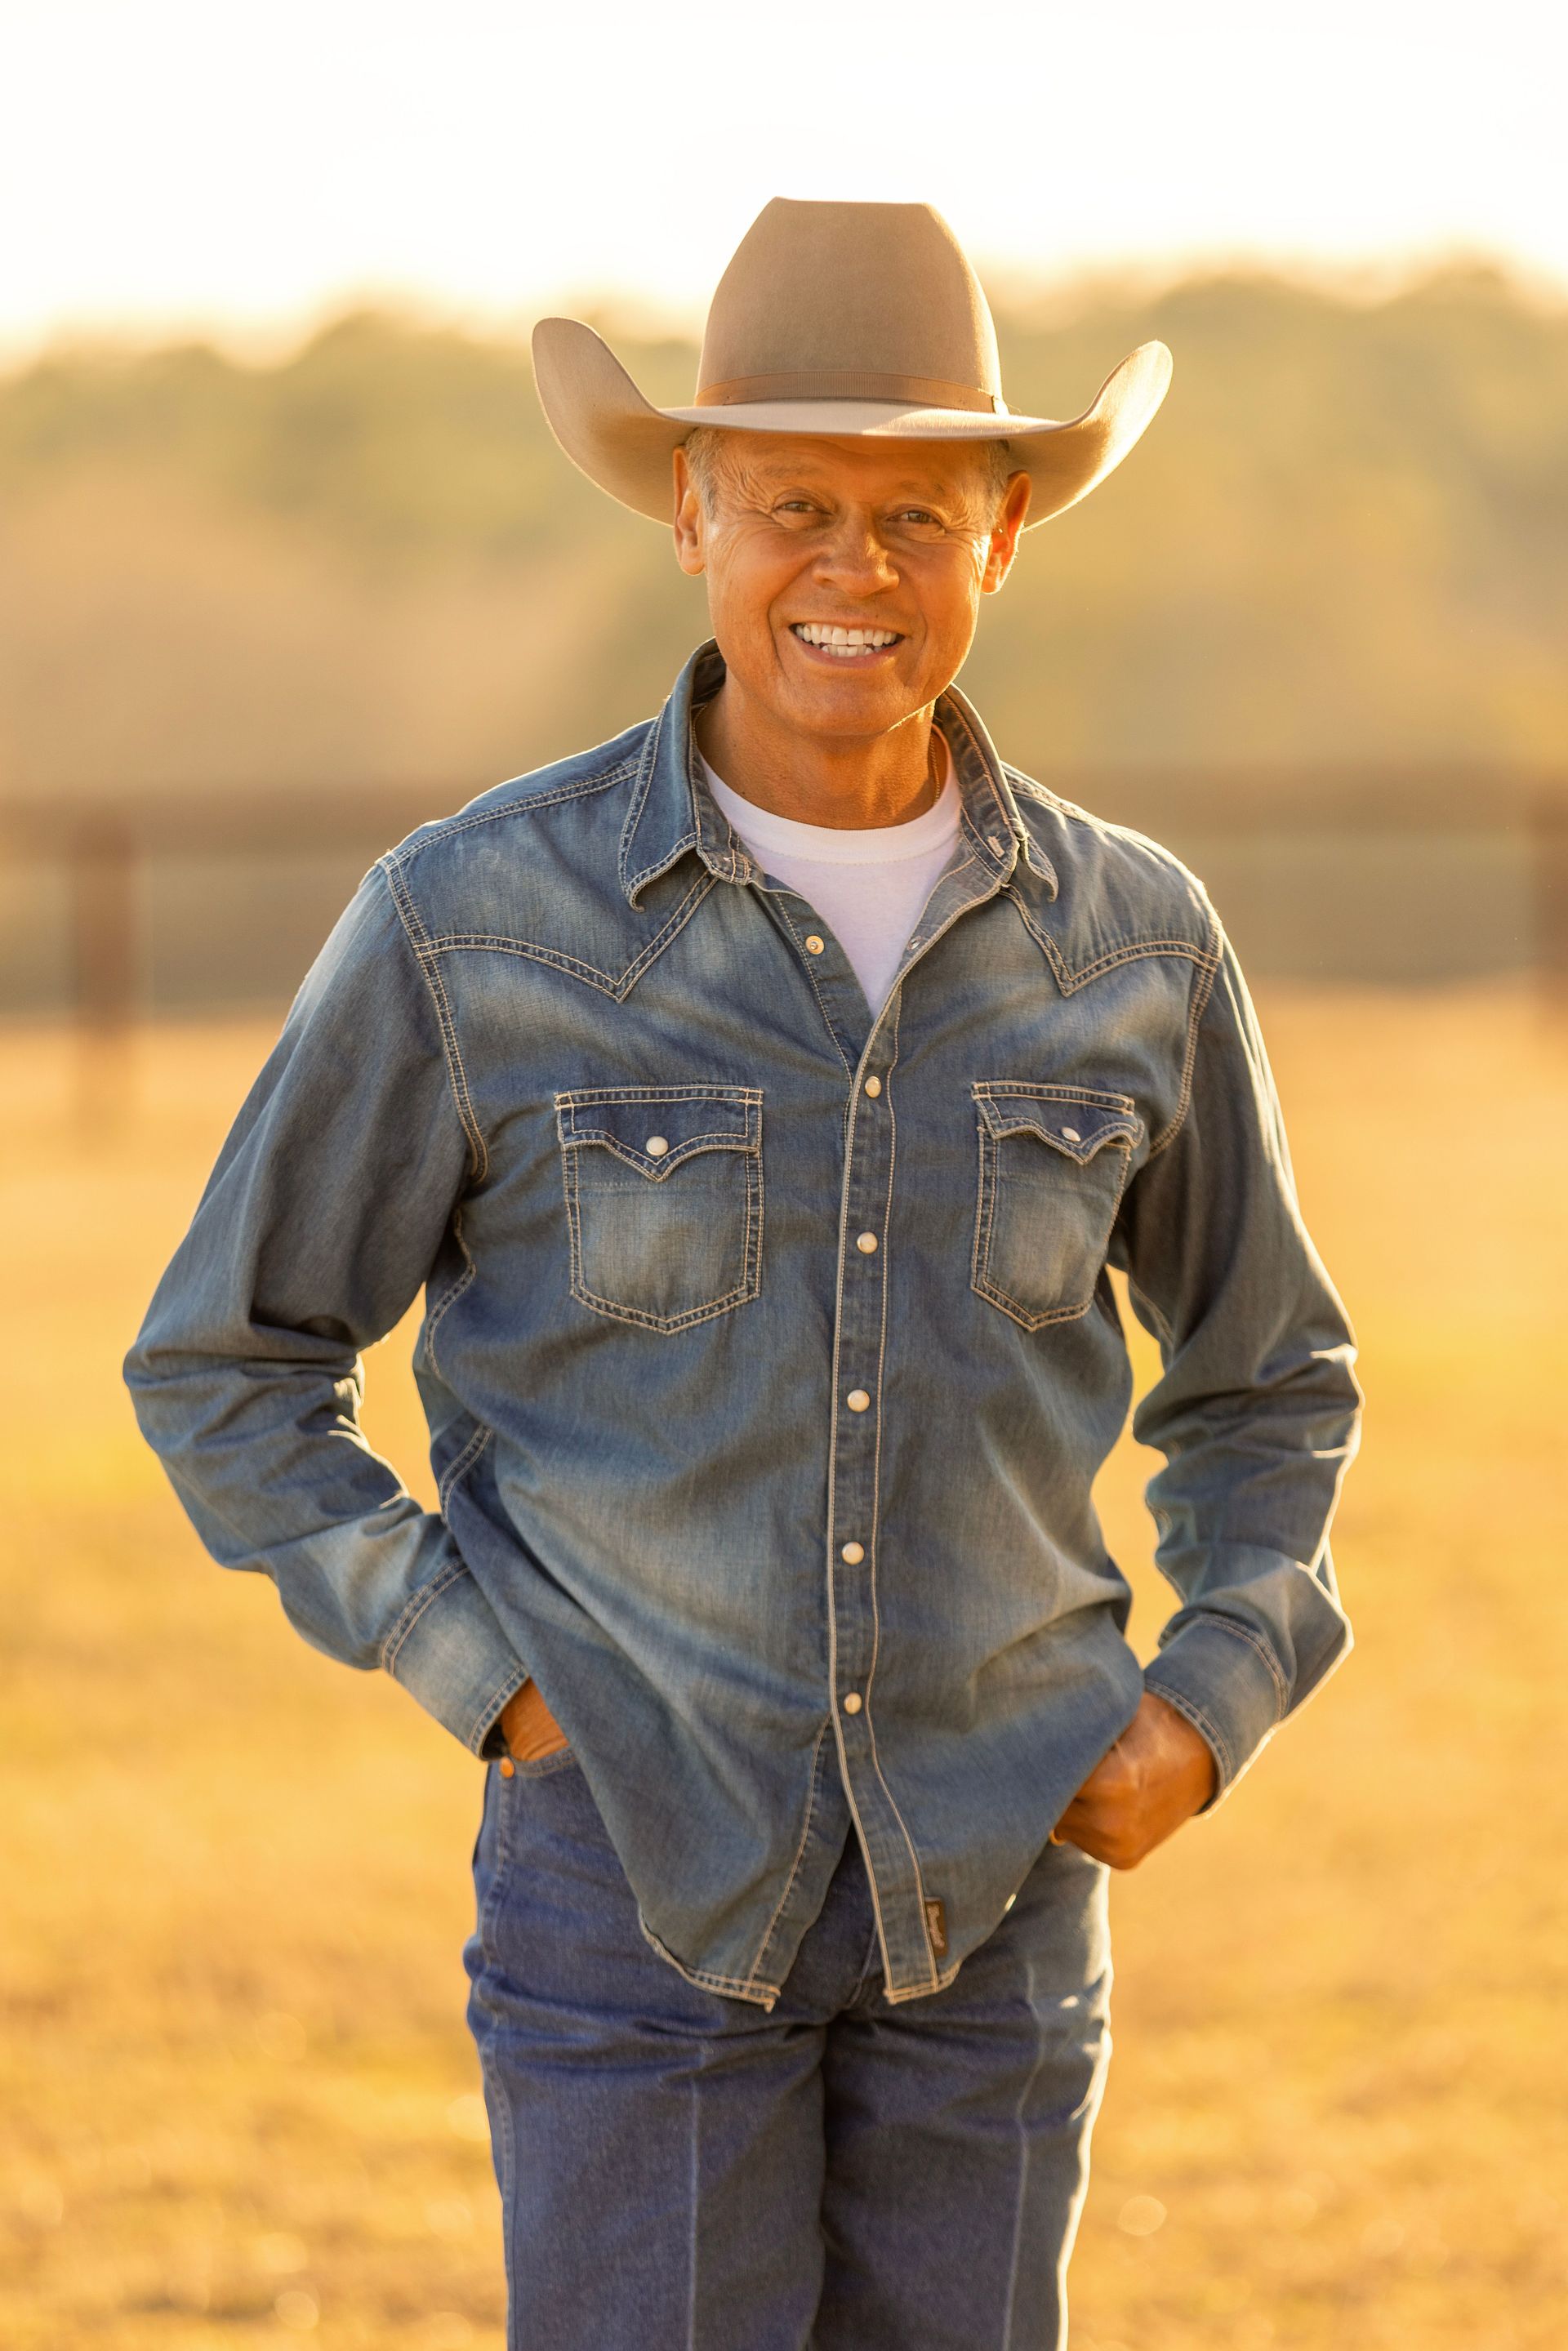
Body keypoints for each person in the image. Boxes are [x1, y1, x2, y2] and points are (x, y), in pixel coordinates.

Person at [126, 198, 1361, 2349]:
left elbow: (1272, 1381)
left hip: (1000, 1914)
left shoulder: (1135, 949)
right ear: (692, 513)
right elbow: (227, 1361)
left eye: (914, 514)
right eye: (796, 503)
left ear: (1002, 543)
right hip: (627, 1904)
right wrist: (484, 1676)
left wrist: (1212, 1699)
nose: (852, 572)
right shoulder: (475, 923)